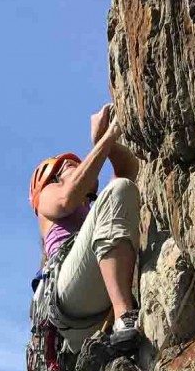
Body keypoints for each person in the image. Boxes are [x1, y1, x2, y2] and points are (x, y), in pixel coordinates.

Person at [29, 104, 143, 349]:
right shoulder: (47, 195)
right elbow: (67, 198)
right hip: (68, 295)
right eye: (71, 167)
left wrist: (104, 141)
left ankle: (121, 318)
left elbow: (128, 172)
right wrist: (109, 135)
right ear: (53, 175)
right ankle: (125, 316)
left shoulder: (92, 213)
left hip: (86, 312)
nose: (80, 168)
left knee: (120, 191)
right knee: (117, 192)